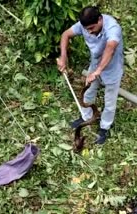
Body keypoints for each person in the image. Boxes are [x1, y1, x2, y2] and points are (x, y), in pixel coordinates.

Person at [57, 6, 124, 144]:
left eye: (92, 28)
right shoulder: (85, 24)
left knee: (110, 102)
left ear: (100, 19)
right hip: (94, 66)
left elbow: (110, 49)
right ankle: (86, 117)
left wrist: (97, 72)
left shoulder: (112, 28)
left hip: (112, 69)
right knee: (88, 94)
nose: (89, 31)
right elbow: (65, 35)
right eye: (86, 29)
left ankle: (104, 127)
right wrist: (63, 57)